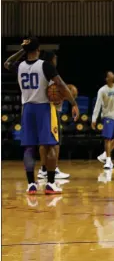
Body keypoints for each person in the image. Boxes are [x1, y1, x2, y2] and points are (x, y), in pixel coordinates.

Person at [4, 37, 79, 195]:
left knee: (29, 148)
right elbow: (61, 85)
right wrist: (73, 103)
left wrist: (21, 51)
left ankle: (31, 184)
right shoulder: (45, 65)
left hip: (27, 109)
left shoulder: (19, 66)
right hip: (43, 108)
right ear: (38, 50)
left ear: (26, 51)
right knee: (51, 145)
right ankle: (51, 184)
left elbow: (6, 63)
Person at [37, 50, 70, 180]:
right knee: (55, 142)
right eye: (55, 58)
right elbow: (54, 95)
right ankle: (54, 168)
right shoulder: (51, 74)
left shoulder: (40, 72)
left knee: (43, 143)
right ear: (52, 60)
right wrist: (67, 96)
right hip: (51, 111)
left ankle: (43, 169)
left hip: (40, 110)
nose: (56, 60)